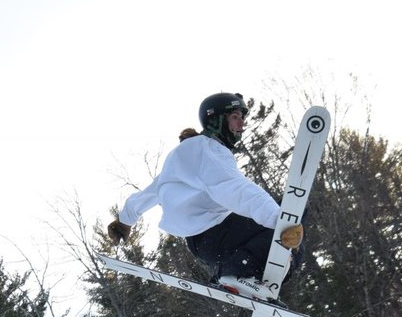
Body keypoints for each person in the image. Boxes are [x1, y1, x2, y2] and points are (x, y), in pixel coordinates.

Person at [106, 92, 304, 302]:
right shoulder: (209, 150)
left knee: (284, 233)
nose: (242, 125)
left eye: (242, 118)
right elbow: (236, 189)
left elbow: (152, 192)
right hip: (219, 231)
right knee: (289, 228)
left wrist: (125, 220)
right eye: (235, 117)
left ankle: (247, 278)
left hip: (202, 245)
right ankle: (237, 272)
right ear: (217, 118)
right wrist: (280, 221)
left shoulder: (183, 155)